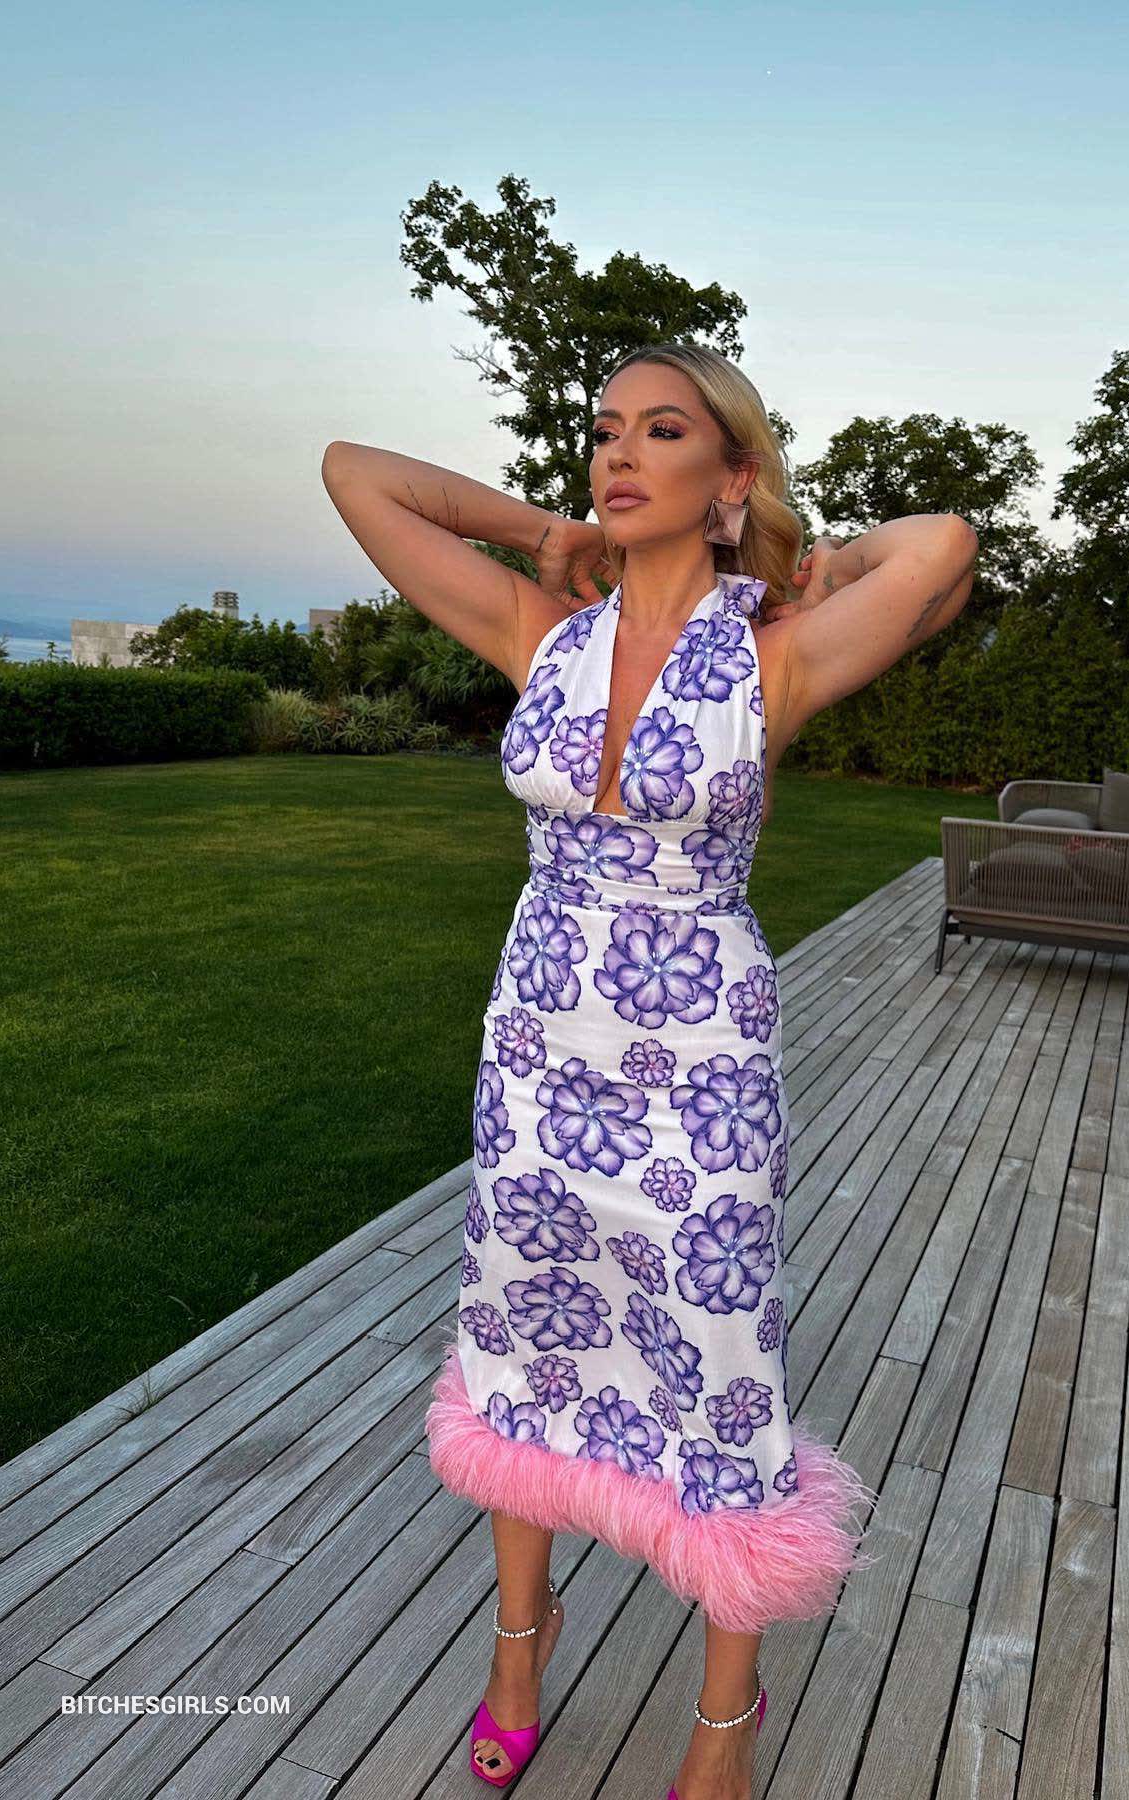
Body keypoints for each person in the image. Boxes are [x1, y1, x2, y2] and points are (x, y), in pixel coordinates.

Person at [321, 341, 976, 1800]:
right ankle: (519, 1649)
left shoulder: (774, 656)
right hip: (540, 1051)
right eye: (606, 429)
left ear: (728, 476)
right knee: (523, 1334)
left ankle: (723, 1726)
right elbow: (353, 474)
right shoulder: (540, 631)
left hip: (699, 1065)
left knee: (720, 1359)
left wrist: (807, 557)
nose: (618, 452)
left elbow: (942, 545)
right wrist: (541, 531)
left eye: (662, 431)